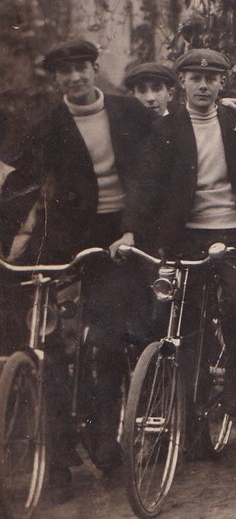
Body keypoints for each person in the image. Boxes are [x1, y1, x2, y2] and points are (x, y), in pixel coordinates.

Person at [0, 40, 156, 499]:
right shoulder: (49, 125)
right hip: (70, 234)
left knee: (104, 335)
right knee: (43, 341)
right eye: (64, 73)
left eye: (81, 69)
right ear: (57, 80)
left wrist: (134, 231)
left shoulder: (130, 113)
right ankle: (57, 458)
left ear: (94, 69)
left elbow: (156, 168)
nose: (74, 79)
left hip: (123, 236)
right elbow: (19, 184)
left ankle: (104, 434)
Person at [113, 48, 236, 426]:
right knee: (186, 321)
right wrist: (130, 230)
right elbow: (146, 184)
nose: (203, 85)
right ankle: (193, 408)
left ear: (221, 82)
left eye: (212, 78)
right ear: (182, 82)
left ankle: (234, 372)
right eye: (196, 78)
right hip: (188, 235)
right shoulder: (166, 130)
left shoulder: (234, 121)